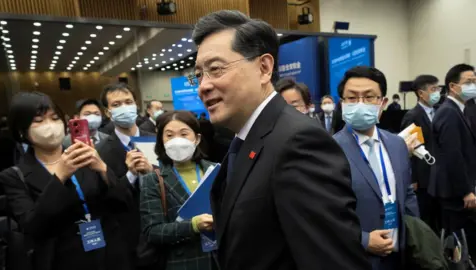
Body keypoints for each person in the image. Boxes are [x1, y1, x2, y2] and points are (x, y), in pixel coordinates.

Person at [192, 10, 370, 270]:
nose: (203, 86)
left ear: (264, 68)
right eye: (199, 74)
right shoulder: (244, 140)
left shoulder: (298, 142)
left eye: (216, 69)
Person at [0, 92, 131, 270]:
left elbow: (123, 203)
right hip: (61, 258)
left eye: (54, 118)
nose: (50, 126)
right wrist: (59, 177)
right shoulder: (14, 176)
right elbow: (33, 226)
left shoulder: (85, 155)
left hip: (109, 252)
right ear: (22, 131)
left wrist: (103, 169)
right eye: (39, 121)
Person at [333, 66, 419, 270]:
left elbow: (407, 193)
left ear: (383, 103)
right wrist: (363, 239)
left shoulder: (397, 144)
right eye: (352, 98)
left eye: (370, 97)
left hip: (399, 254)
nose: (361, 104)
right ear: (342, 104)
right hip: (357, 258)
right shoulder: (329, 150)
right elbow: (322, 211)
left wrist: (413, 230)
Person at [140, 111, 217, 270]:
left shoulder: (215, 170)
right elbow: (152, 231)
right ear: (162, 140)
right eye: (169, 135)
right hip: (182, 262)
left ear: (197, 138)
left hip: (219, 259)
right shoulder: (153, 180)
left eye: (184, 134)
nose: (177, 140)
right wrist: (193, 225)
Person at [96, 83, 155, 269]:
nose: (124, 107)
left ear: (136, 105)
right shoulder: (101, 151)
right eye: (116, 104)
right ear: (107, 112)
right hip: (125, 236)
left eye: (128, 102)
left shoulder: (155, 139)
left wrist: (152, 172)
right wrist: (131, 174)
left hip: (158, 227)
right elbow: (106, 199)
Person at [429, 64, 476, 261]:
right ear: (453, 86)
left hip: (458, 188)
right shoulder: (449, 112)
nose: (473, 85)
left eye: (475, 81)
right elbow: (452, 155)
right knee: (457, 243)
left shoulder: (460, 110)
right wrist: (466, 190)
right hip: (453, 192)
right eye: (468, 82)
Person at [401, 75, 441, 233]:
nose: (437, 92)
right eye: (433, 89)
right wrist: (413, 178)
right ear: (421, 93)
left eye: (438, 89)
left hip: (438, 174)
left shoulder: (439, 112)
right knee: (425, 217)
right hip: (422, 177)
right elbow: (407, 150)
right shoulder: (413, 116)